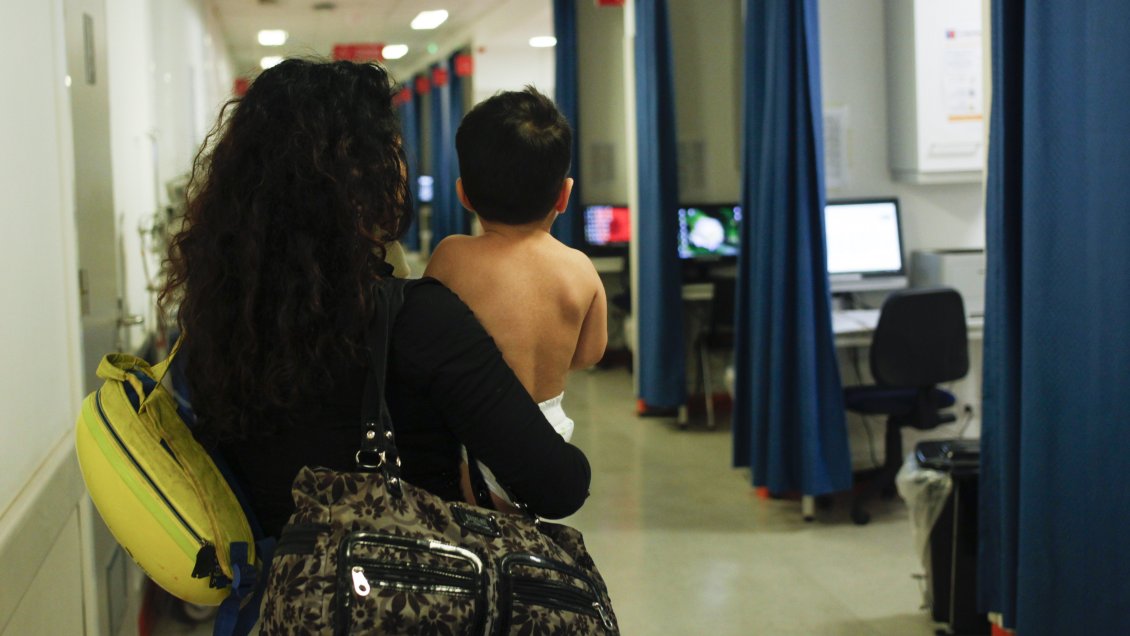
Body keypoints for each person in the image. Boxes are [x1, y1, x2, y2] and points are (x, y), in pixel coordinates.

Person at [158, 59, 591, 539]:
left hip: (279, 577)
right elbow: (558, 487)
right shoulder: (419, 321)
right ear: (365, 181)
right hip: (407, 576)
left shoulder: (215, 323)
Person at [424, 87, 607, 512]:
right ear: (564, 195)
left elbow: (427, 343)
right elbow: (590, 354)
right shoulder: (579, 268)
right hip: (548, 437)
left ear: (463, 194)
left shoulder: (452, 256)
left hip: (474, 434)